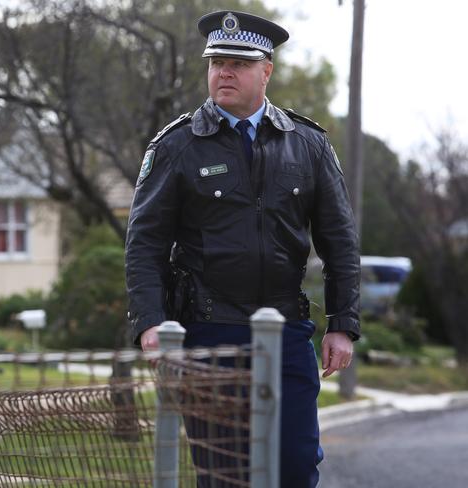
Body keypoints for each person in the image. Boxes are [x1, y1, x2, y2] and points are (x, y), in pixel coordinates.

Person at [125, 9, 360, 488]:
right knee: (223, 473)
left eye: (238, 62)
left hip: (287, 333)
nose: (224, 72)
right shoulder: (179, 145)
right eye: (216, 63)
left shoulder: (307, 144)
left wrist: (343, 324)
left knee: (295, 466)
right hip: (209, 334)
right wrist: (149, 319)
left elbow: (339, 241)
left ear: (266, 71)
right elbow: (144, 240)